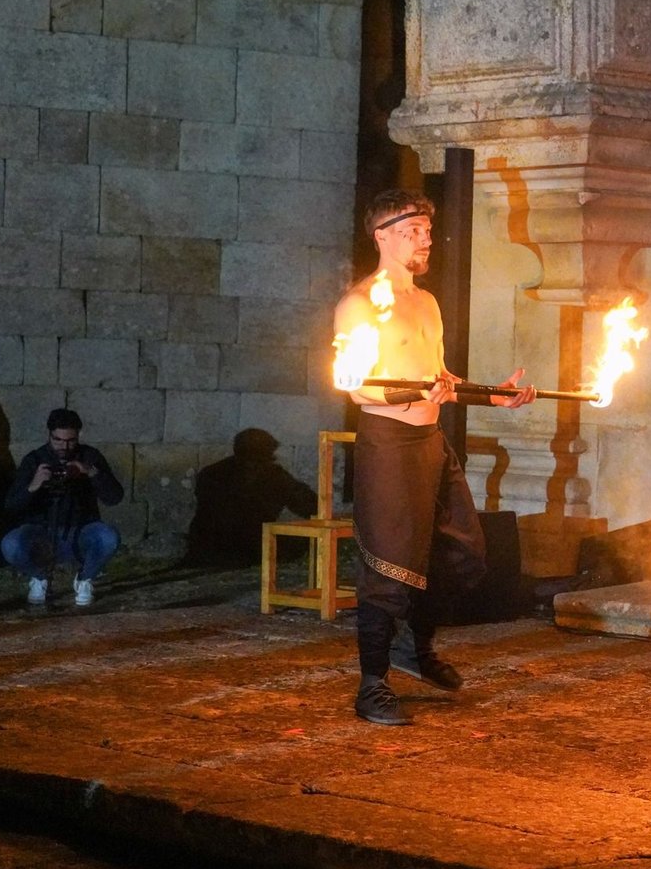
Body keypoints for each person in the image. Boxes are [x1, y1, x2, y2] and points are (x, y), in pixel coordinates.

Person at [335, 189, 535, 726]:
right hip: (388, 447)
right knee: (388, 566)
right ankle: (372, 684)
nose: (425, 240)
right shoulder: (359, 304)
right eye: (412, 231)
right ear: (382, 236)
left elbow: (439, 378)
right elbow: (356, 387)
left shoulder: (426, 302)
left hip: (430, 443)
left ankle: (414, 648)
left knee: (462, 552)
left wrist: (490, 395)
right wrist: (413, 395)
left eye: (426, 231)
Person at [2, 408, 124, 606]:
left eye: (70, 441)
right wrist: (34, 485)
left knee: (108, 536)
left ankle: (84, 579)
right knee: (11, 544)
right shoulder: (35, 459)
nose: (64, 446)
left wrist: (91, 473)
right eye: (57, 440)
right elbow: (11, 505)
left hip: (81, 531)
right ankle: (40, 578)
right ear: (49, 434)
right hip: (42, 534)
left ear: (78, 436)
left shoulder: (89, 456)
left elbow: (115, 497)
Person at [185, 428, 318, 566]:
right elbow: (309, 505)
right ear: (266, 453)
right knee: (309, 539)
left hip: (206, 546)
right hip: (248, 548)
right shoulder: (273, 475)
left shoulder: (210, 472)